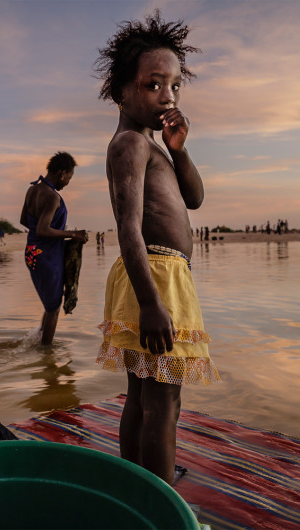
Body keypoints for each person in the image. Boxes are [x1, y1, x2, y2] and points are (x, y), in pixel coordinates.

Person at [93, 10, 221, 485]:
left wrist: (181, 149)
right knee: (162, 400)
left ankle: (135, 487)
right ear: (121, 92)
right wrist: (150, 303)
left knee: (144, 395)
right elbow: (128, 227)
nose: (167, 96)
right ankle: (161, 502)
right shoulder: (128, 143)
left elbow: (195, 199)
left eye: (174, 86)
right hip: (154, 276)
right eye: (153, 85)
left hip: (163, 275)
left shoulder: (156, 145)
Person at [20, 151, 89, 345]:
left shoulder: (32, 190)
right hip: (47, 256)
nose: (68, 183)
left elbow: (25, 220)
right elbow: (43, 229)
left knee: (51, 304)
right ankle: (46, 356)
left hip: (32, 252)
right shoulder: (51, 197)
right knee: (53, 308)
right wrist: (73, 234)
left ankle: (41, 339)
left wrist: (48, 233)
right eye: (69, 178)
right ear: (62, 173)